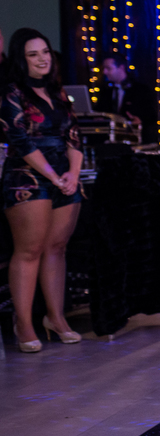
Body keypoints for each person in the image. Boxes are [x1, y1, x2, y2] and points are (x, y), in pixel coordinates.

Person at [0, 28, 85, 352]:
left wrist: (72, 174)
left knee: (57, 248)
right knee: (29, 250)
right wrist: (52, 175)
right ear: (22, 60)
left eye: (45, 52)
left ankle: (56, 317)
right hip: (28, 177)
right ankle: (23, 323)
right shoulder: (11, 92)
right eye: (33, 54)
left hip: (64, 176)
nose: (42, 59)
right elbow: (19, 140)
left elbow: (74, 135)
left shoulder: (57, 92)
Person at [96, 53, 156, 141]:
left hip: (135, 138)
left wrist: (140, 120)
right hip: (109, 139)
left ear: (121, 68)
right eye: (104, 68)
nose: (104, 72)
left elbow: (151, 115)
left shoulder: (140, 89)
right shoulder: (106, 90)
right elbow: (99, 111)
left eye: (108, 68)